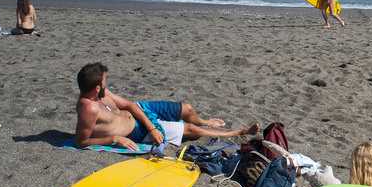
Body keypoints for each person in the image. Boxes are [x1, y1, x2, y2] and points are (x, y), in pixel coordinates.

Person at [74, 62, 258, 150]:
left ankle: (206, 121)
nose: (107, 83)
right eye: (105, 81)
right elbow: (81, 141)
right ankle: (238, 132)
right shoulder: (88, 109)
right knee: (192, 130)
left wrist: (152, 126)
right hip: (136, 131)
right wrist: (115, 138)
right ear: (96, 86)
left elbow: (130, 105)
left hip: (142, 112)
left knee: (187, 109)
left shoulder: (102, 93)